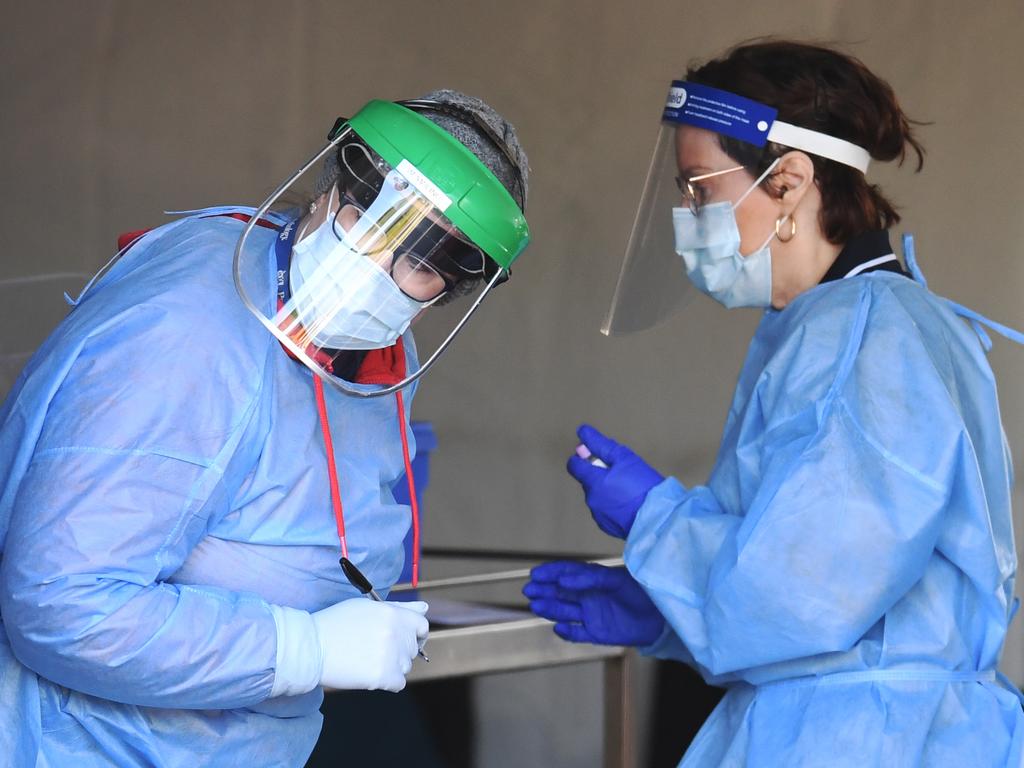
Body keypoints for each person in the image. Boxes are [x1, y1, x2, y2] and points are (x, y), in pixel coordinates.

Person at [524, 41, 1024, 766]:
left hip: (872, 740)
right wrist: (664, 610)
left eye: (700, 188)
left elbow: (802, 594)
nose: (687, 215)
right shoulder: (830, 328)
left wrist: (658, 520)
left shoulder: (869, 340)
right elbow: (822, 576)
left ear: (789, 181)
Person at [0, 89, 530, 767]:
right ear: (328, 182)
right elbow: (63, 604)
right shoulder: (192, 334)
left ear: (455, 291)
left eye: (422, 265)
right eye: (368, 219)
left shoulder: (375, 352)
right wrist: (302, 649)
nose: (376, 274)